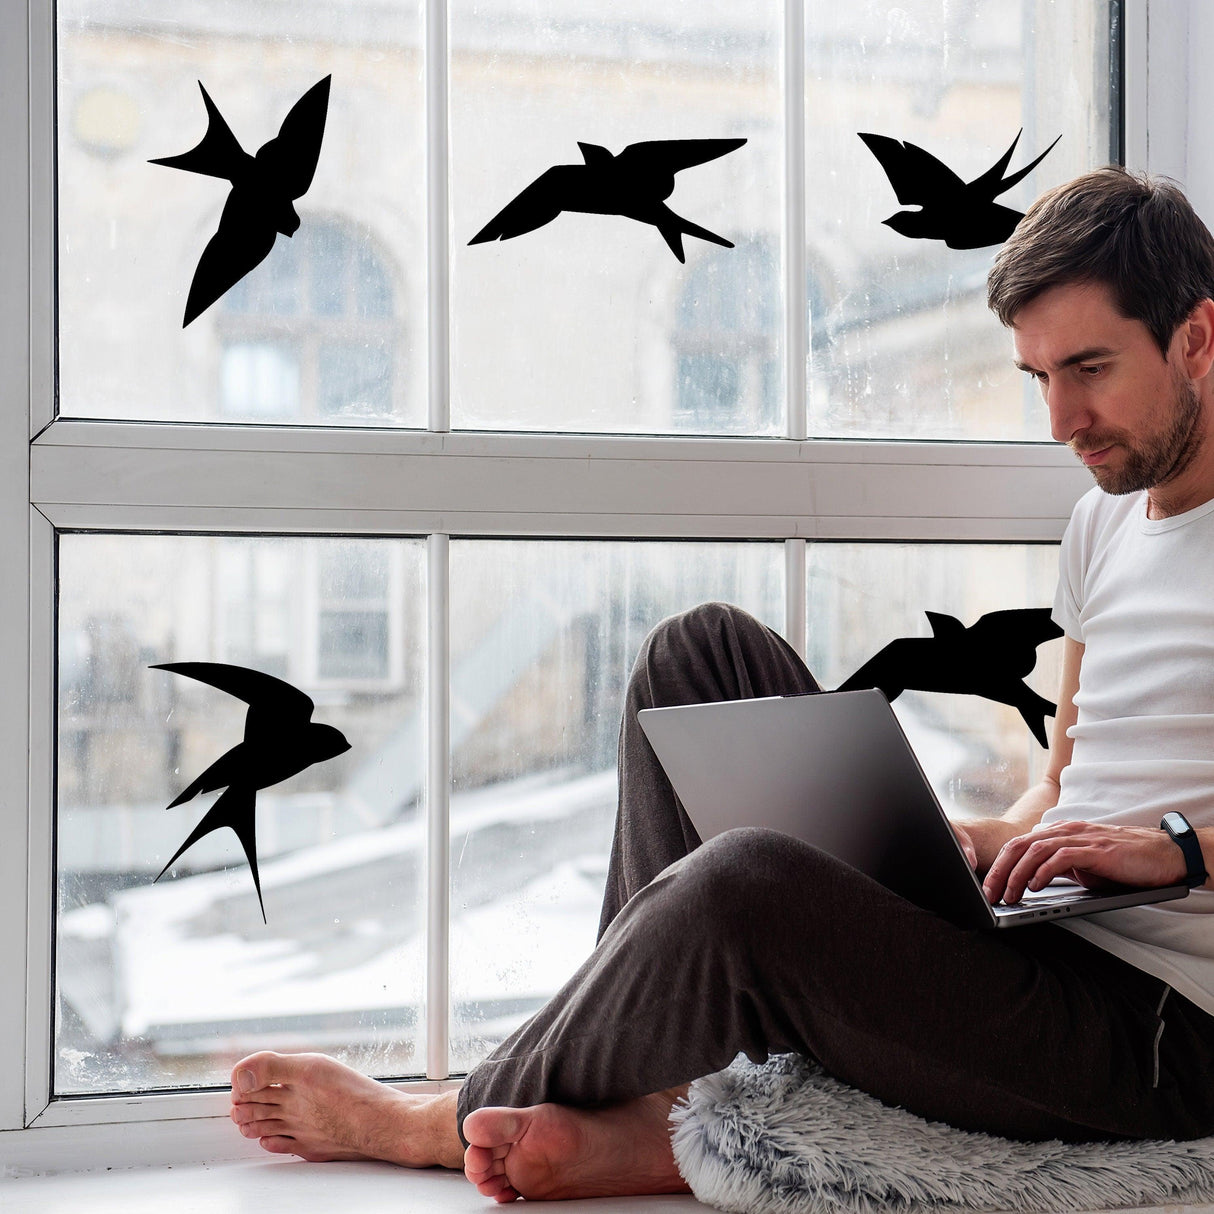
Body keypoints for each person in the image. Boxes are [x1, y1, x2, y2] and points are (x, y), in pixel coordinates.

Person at [227, 167, 1214, 1203]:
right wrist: (979, 838)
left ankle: (443, 1115)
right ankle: (660, 1100)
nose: (1061, 418)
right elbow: (1059, 778)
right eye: (1037, 375)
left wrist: (1175, 845)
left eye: (1089, 368)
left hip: (1157, 1029)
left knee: (749, 885)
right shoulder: (1102, 519)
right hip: (1042, 939)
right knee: (690, 663)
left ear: (1194, 335)